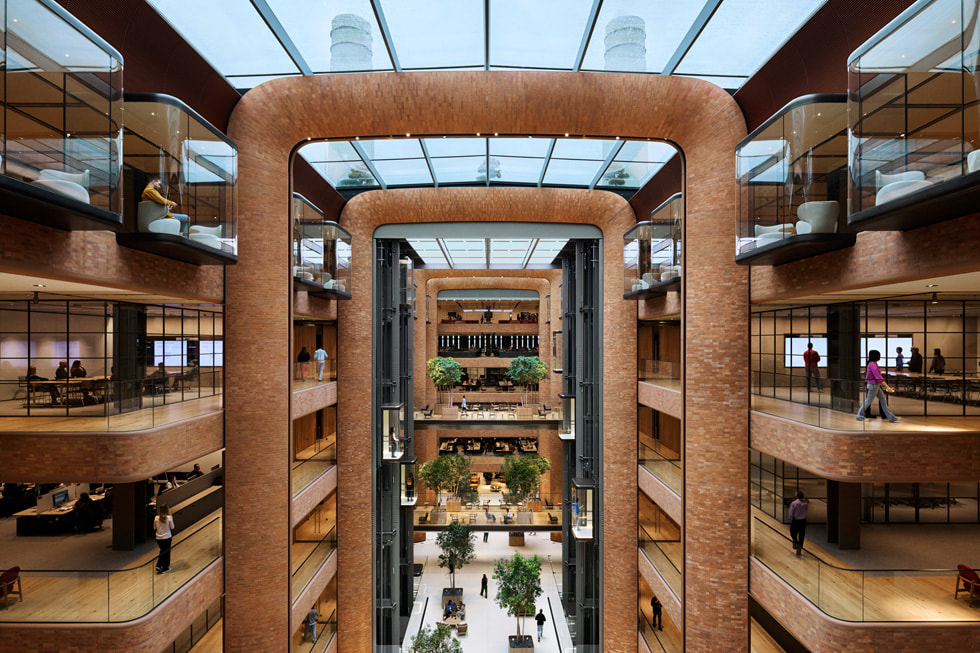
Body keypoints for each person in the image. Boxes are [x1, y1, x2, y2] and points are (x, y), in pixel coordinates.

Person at [856, 350, 899, 423]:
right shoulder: (872, 364)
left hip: (875, 386)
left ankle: (891, 417)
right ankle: (859, 415)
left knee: (883, 400)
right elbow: (878, 377)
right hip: (873, 386)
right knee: (868, 401)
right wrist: (887, 387)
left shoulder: (873, 364)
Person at [154, 503, 175, 573]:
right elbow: (172, 527)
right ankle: (165, 568)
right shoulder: (169, 517)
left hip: (158, 538)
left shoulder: (156, 518)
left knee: (162, 551)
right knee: (166, 552)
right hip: (167, 537)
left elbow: (154, 527)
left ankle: (159, 565)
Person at [788, 491, 808, 557]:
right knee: (801, 535)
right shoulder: (805, 504)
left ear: (797, 496)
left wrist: (790, 520)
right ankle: (799, 548)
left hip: (795, 521)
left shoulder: (794, 503)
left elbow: (791, 513)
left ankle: (796, 545)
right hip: (803, 521)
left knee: (793, 533)